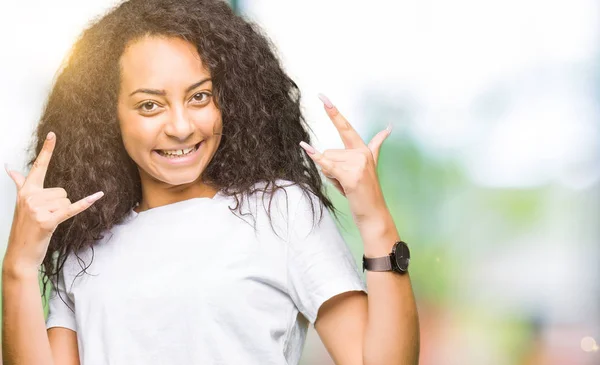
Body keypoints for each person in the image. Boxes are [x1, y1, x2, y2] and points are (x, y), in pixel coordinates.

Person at [1, 0, 419, 364]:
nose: (181, 127)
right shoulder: (86, 245)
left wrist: (374, 218)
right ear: (109, 117)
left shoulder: (281, 211)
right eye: (150, 105)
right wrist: (18, 268)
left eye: (199, 96)